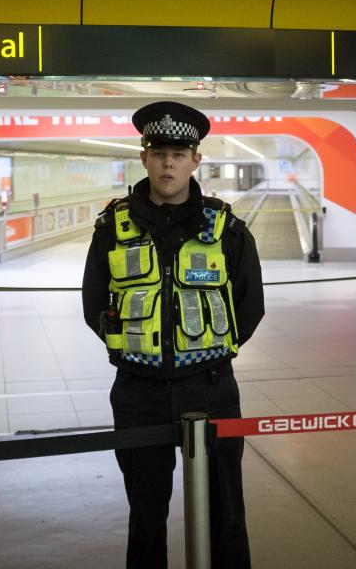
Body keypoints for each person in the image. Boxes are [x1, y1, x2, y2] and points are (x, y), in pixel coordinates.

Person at [82, 101, 265, 568]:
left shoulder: (226, 229)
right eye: (159, 152)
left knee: (225, 513)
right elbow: (94, 305)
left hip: (211, 388)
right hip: (137, 392)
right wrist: (141, 351)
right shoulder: (112, 227)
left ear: (196, 160)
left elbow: (250, 304)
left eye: (179, 153)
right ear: (143, 158)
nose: (168, 163)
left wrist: (201, 351)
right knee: (145, 515)